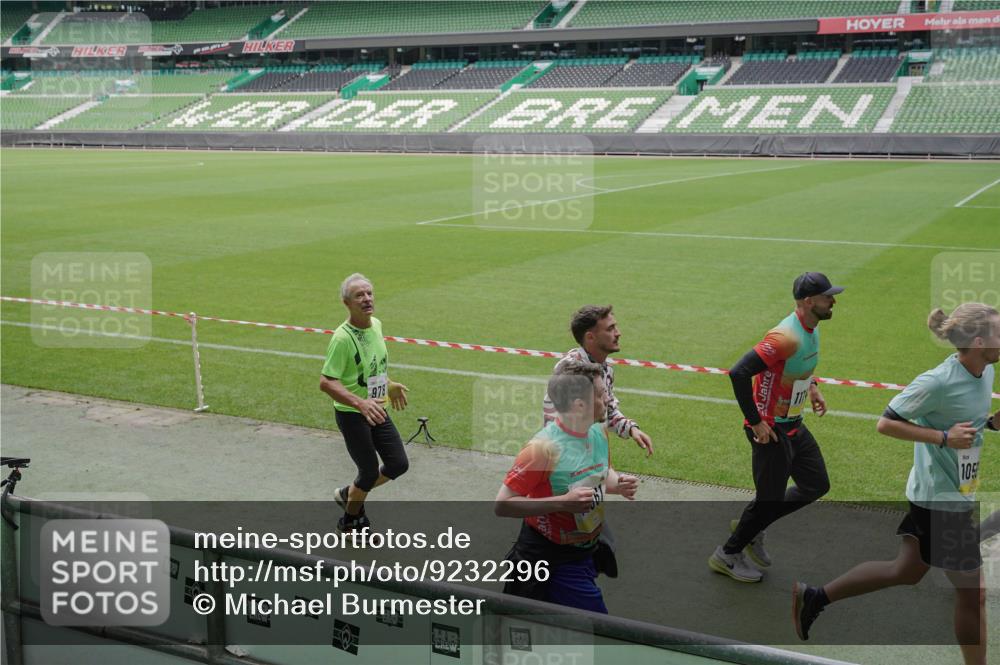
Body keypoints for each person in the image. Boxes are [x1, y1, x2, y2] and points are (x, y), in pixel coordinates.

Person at [794, 303, 999, 665]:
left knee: (906, 570)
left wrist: (992, 423)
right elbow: (886, 423)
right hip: (939, 501)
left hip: (947, 494)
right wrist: (943, 438)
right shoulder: (938, 381)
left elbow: (964, 420)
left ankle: (815, 597)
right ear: (980, 342)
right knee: (973, 595)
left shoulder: (985, 372)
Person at [708, 272, 842, 582]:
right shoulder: (785, 336)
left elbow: (797, 365)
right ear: (808, 301)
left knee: (816, 484)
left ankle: (755, 526)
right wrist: (756, 422)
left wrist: (812, 387)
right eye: (827, 296)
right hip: (770, 431)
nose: (833, 301)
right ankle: (727, 555)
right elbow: (739, 373)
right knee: (769, 499)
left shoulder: (811, 328)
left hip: (793, 424)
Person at [496, 360, 639, 613]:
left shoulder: (598, 431)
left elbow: (602, 472)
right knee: (598, 624)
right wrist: (562, 503)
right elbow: (502, 505)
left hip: (586, 550)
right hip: (553, 560)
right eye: (602, 394)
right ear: (580, 405)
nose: (608, 399)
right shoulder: (542, 450)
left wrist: (618, 484)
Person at [320, 273, 409, 534]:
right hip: (353, 414)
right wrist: (360, 404)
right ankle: (350, 522)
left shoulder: (376, 325)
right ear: (346, 303)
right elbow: (326, 382)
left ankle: (349, 493)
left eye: (369, 293)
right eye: (359, 295)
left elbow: (373, 366)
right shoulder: (342, 338)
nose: (367, 298)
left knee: (398, 464)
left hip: (377, 409)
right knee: (368, 472)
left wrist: (389, 384)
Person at [542, 305, 654, 457]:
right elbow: (556, 420)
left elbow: (607, 410)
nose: (618, 333)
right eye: (610, 329)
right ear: (590, 337)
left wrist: (631, 429)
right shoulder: (571, 372)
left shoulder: (606, 370)